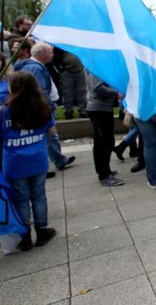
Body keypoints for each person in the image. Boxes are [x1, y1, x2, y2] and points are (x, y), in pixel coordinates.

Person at [1, 72, 57, 251]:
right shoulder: (42, 107)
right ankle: (42, 230)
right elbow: (52, 131)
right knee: (39, 195)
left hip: (15, 162)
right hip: (38, 159)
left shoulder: (5, 110)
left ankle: (24, 236)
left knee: (21, 198)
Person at [15, 42, 75, 172]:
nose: (52, 55)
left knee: (50, 137)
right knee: (48, 136)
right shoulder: (36, 68)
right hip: (43, 108)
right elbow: (40, 91)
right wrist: (46, 108)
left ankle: (59, 160)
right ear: (42, 54)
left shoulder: (35, 66)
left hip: (43, 107)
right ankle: (53, 162)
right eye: (50, 52)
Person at [85, 71, 125, 187]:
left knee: (101, 141)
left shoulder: (94, 66)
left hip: (100, 108)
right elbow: (98, 87)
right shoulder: (95, 68)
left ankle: (105, 171)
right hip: (99, 109)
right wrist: (116, 93)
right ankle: (104, 175)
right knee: (106, 142)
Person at [59, 51, 88, 120]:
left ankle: (83, 111)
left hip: (80, 70)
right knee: (67, 92)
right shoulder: (61, 44)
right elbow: (56, 57)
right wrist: (61, 69)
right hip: (66, 71)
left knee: (82, 91)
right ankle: (68, 111)